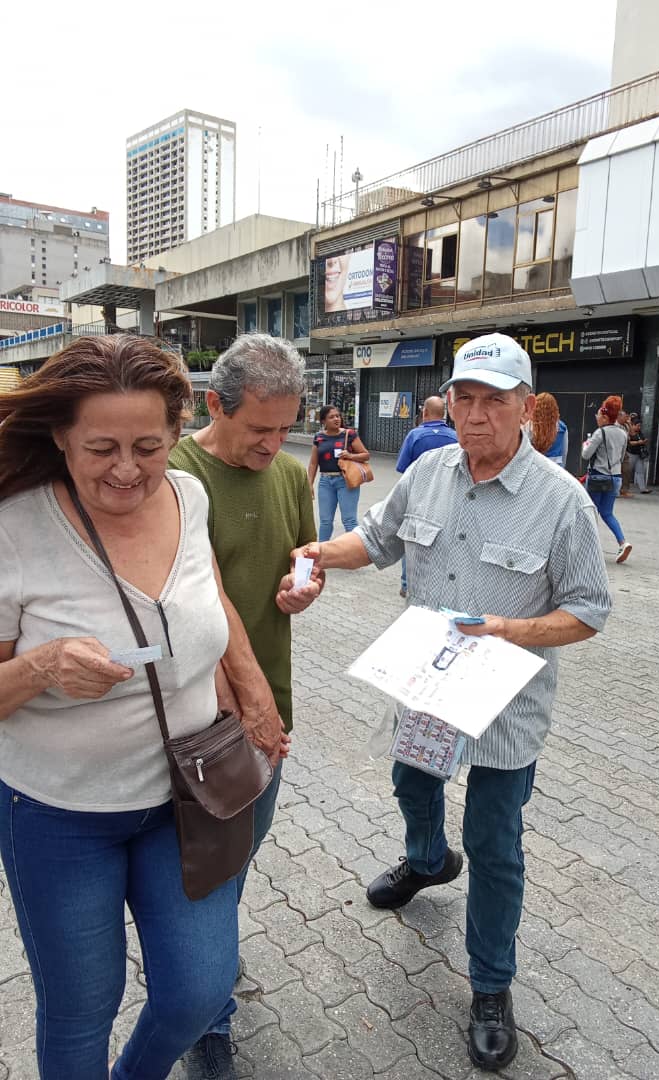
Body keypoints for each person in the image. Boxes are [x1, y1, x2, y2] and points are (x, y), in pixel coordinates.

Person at [292, 333, 611, 1072]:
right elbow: (376, 540)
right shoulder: (430, 470)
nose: (474, 415)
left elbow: (589, 612)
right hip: (428, 684)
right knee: (410, 782)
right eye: (463, 399)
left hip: (507, 704)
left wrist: (508, 629)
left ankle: (492, 987)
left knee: (496, 847)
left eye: (492, 402)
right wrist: (309, 555)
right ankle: (428, 861)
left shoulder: (561, 502)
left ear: (525, 409)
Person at [0, 335, 281, 1080]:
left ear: (176, 435)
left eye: (147, 446)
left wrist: (251, 687)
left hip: (186, 800)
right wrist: (40, 666)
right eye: (101, 448)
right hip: (59, 817)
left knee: (198, 989)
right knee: (83, 1007)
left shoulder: (188, 496)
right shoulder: (14, 527)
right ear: (61, 436)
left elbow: (209, 594)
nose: (127, 470)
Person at [168, 334, 322, 1079]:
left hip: (271, 710)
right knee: (209, 869)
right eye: (257, 428)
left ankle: (206, 962)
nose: (272, 443)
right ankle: (207, 1012)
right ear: (213, 405)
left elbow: (302, 559)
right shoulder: (172, 474)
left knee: (240, 858)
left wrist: (303, 587)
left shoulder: (290, 476)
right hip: (197, 721)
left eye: (284, 428)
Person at [395, 395, 457, 597]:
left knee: (412, 537)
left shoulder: (415, 435)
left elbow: (403, 469)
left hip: (418, 498)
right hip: (449, 498)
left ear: (425, 413)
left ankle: (407, 584)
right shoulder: (456, 436)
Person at [308, 404, 371, 542]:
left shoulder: (349, 434)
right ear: (323, 421)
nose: (336, 419)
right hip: (325, 482)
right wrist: (310, 484)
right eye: (331, 417)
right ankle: (321, 550)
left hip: (346, 481)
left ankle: (354, 552)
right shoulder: (318, 437)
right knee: (325, 521)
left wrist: (350, 455)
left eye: (337, 416)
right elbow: (313, 463)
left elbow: (366, 455)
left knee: (349, 520)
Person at [582, 395, 632, 564]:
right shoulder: (623, 433)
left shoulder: (599, 433)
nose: (596, 418)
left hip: (597, 477)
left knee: (591, 512)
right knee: (607, 512)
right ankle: (622, 542)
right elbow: (622, 454)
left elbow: (585, 454)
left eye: (598, 415)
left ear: (604, 417)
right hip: (615, 478)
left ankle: (589, 548)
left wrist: (586, 443)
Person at [527, 391, 568, 467]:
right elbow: (564, 453)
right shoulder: (562, 427)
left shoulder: (529, 425)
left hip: (535, 467)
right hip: (556, 469)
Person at [626, 412, 652, 493]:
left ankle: (643, 488)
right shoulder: (629, 432)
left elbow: (643, 439)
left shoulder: (639, 433)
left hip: (639, 454)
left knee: (640, 471)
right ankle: (624, 488)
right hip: (631, 454)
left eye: (640, 426)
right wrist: (638, 442)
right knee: (627, 471)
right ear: (633, 425)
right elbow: (629, 443)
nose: (639, 427)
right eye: (637, 425)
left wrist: (643, 442)